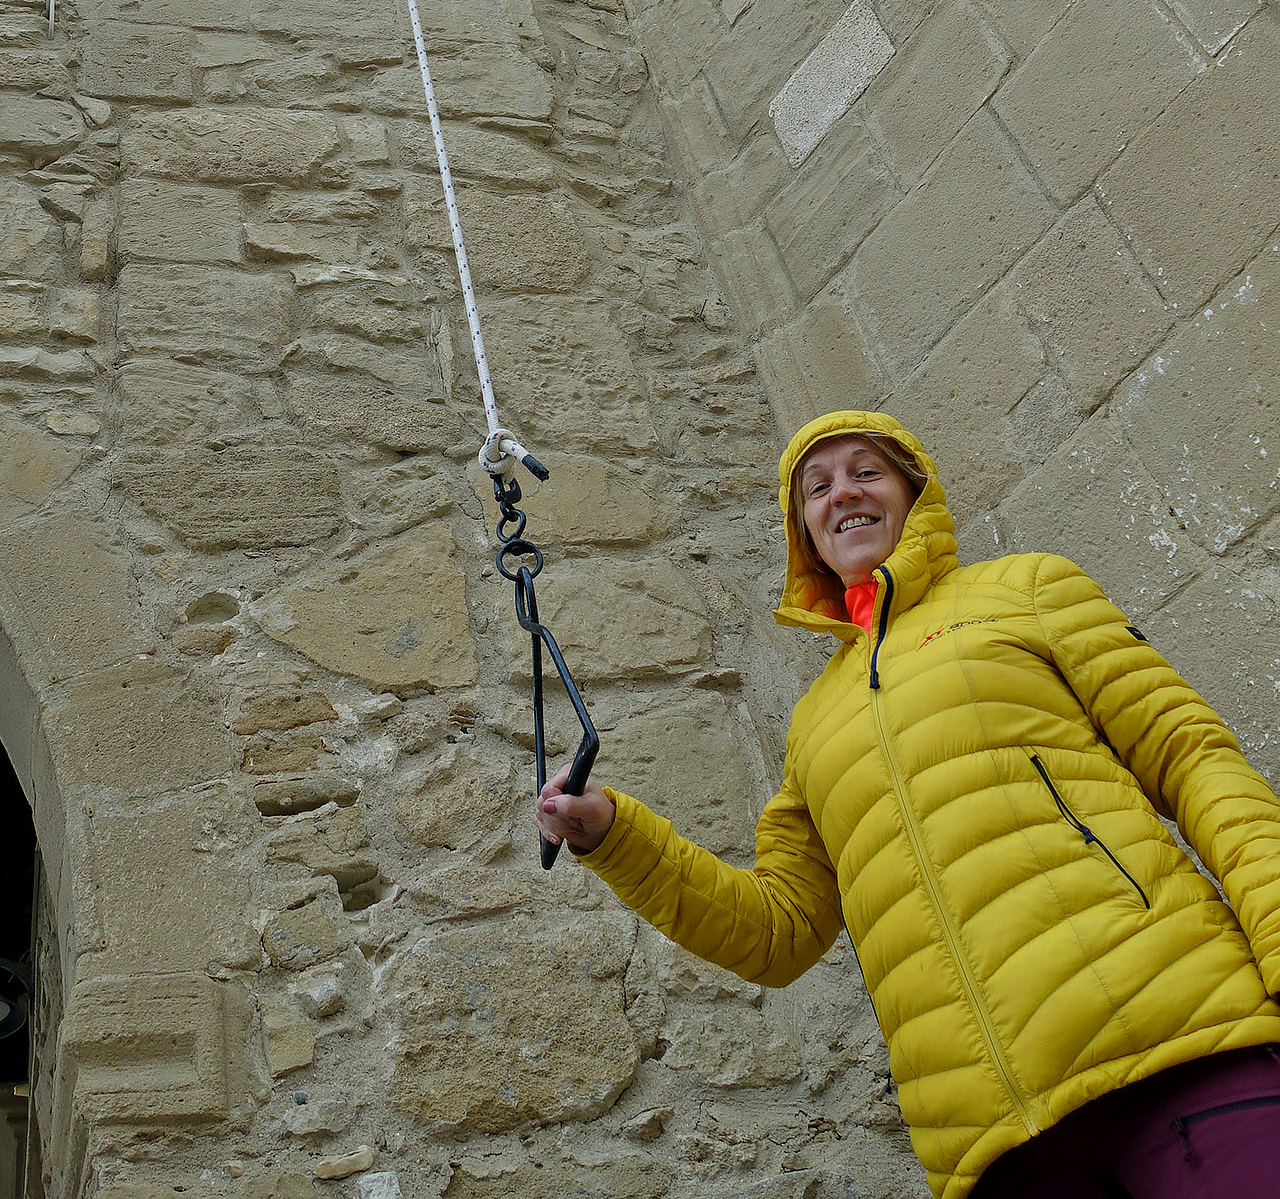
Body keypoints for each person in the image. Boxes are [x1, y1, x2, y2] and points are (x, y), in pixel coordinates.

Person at [538, 409, 1280, 1199]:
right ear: (806, 538)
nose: (842, 494)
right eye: (817, 489)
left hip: (1183, 1046)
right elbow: (779, 932)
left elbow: (1193, 759)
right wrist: (615, 836)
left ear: (913, 494)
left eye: (866, 472)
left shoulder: (1028, 590)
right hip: (995, 1145)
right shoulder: (813, 727)